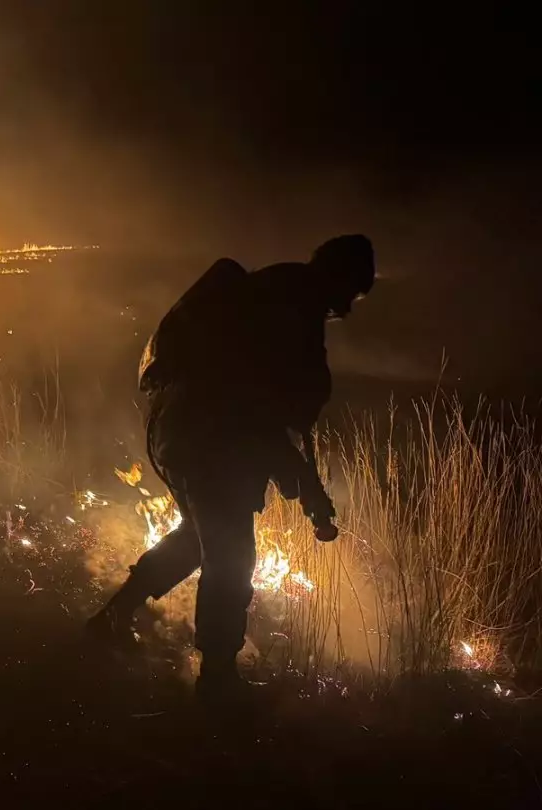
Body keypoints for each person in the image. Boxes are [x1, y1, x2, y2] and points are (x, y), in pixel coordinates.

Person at [88, 235, 375, 700]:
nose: (347, 306)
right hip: (209, 440)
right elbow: (260, 412)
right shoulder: (288, 311)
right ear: (338, 277)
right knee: (231, 557)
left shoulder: (276, 292)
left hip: (178, 431)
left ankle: (113, 619)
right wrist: (307, 491)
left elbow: (271, 416)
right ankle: (217, 679)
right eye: (353, 292)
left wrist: (305, 487)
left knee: (202, 539)